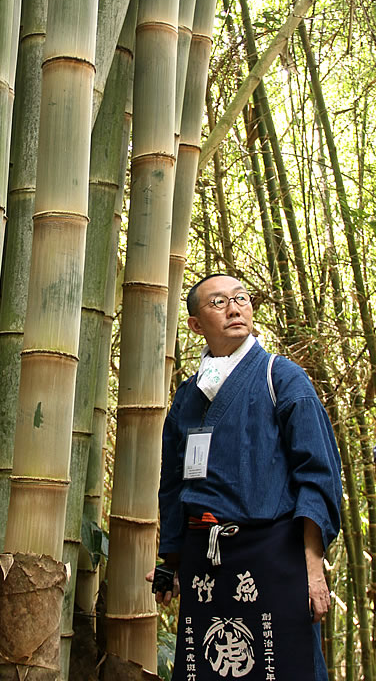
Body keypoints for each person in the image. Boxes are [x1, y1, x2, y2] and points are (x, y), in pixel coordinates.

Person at [151, 274, 342, 681]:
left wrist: (312, 568)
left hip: (273, 557)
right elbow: (173, 487)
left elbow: (318, 475)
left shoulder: (282, 377)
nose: (235, 308)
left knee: (283, 667)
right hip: (206, 561)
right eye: (218, 303)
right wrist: (171, 561)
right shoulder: (187, 396)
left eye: (241, 299)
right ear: (196, 325)